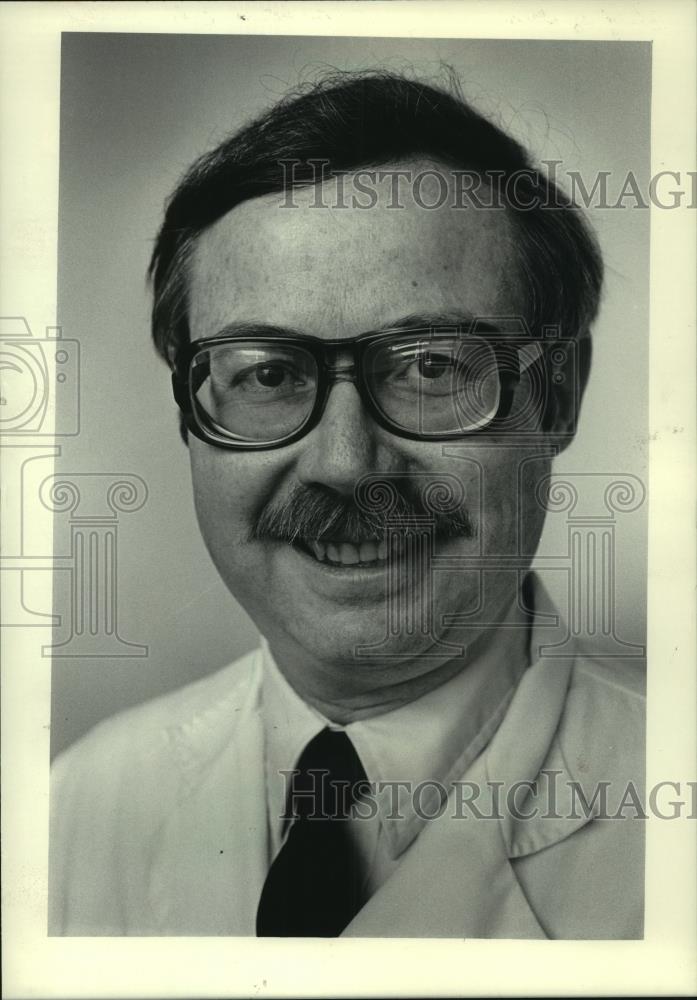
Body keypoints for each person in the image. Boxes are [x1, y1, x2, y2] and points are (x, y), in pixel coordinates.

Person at [49, 71, 645, 938]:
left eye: (430, 366)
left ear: (556, 397)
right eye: (268, 375)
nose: (343, 463)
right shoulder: (74, 810)